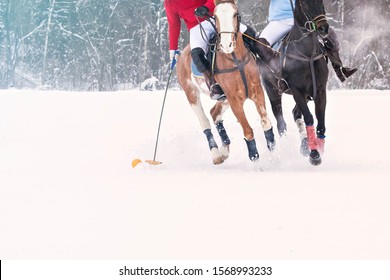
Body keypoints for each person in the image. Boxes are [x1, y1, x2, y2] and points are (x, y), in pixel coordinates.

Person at [249, 0, 357, 87]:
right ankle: (278, 75)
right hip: (278, 21)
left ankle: (340, 70)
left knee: (330, 34)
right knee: (260, 44)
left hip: (302, 19)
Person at [164, 0, 255, 101]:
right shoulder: (169, 2)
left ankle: (261, 64)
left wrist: (206, 7)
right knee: (197, 55)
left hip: (217, 19)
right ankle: (215, 84)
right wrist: (173, 49)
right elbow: (174, 25)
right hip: (196, 27)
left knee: (249, 34)